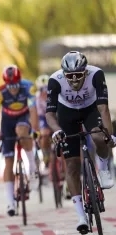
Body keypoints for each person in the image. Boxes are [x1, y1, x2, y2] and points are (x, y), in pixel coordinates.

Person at [46, 51, 116, 233]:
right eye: (70, 76)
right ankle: (80, 216)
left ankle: (104, 167)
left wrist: (109, 135)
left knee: (98, 136)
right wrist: (57, 130)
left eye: (79, 75)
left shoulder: (96, 74)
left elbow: (103, 108)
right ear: (64, 74)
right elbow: (50, 114)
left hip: (90, 110)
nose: (75, 79)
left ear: (86, 72)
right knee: (71, 165)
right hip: (67, 113)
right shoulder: (55, 80)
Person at [0, 65, 39, 216]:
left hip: (23, 116)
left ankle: (32, 166)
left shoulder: (28, 87)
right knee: (8, 162)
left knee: (22, 131)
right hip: (7, 121)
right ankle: (10, 202)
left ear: (20, 81)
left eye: (16, 85)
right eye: (10, 85)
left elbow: (33, 111)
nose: (13, 89)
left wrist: (35, 131)